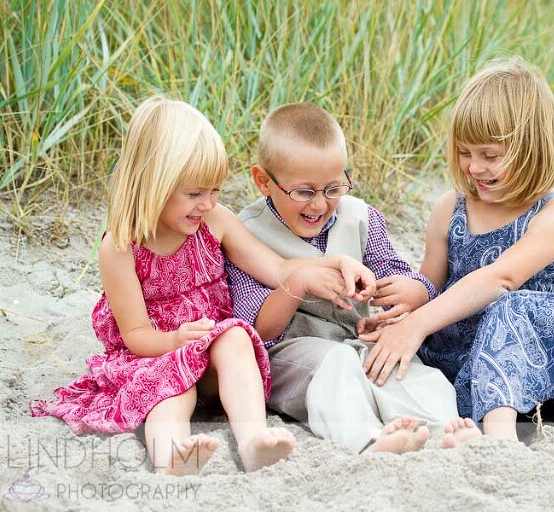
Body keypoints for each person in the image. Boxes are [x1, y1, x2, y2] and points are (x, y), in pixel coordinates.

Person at [359, 56, 554, 467]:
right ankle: (497, 437)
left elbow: (503, 277)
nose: (475, 167)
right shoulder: (449, 209)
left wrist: (418, 323)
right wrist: (410, 300)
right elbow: (432, 281)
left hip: (550, 366)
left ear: (532, 146)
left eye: (490, 155)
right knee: (484, 311)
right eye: (464, 152)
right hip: (469, 363)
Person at [30, 97, 375, 475]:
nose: (207, 203)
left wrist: (334, 262)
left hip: (213, 355)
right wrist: (175, 342)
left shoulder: (216, 220)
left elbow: (276, 268)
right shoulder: (120, 248)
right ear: (152, 185)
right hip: (156, 355)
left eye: (215, 191)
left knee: (236, 338)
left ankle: (253, 440)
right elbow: (135, 335)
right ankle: (172, 453)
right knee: (172, 389)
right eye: (194, 194)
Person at [227, 102, 481, 455]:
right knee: (337, 369)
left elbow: (402, 277)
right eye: (304, 192)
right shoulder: (246, 233)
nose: (319, 204)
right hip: (292, 354)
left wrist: (411, 292)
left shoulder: (360, 217)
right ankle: (365, 439)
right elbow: (258, 330)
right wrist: (297, 283)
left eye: (333, 188)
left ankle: (442, 429)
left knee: (404, 369)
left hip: (356, 341)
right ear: (263, 182)